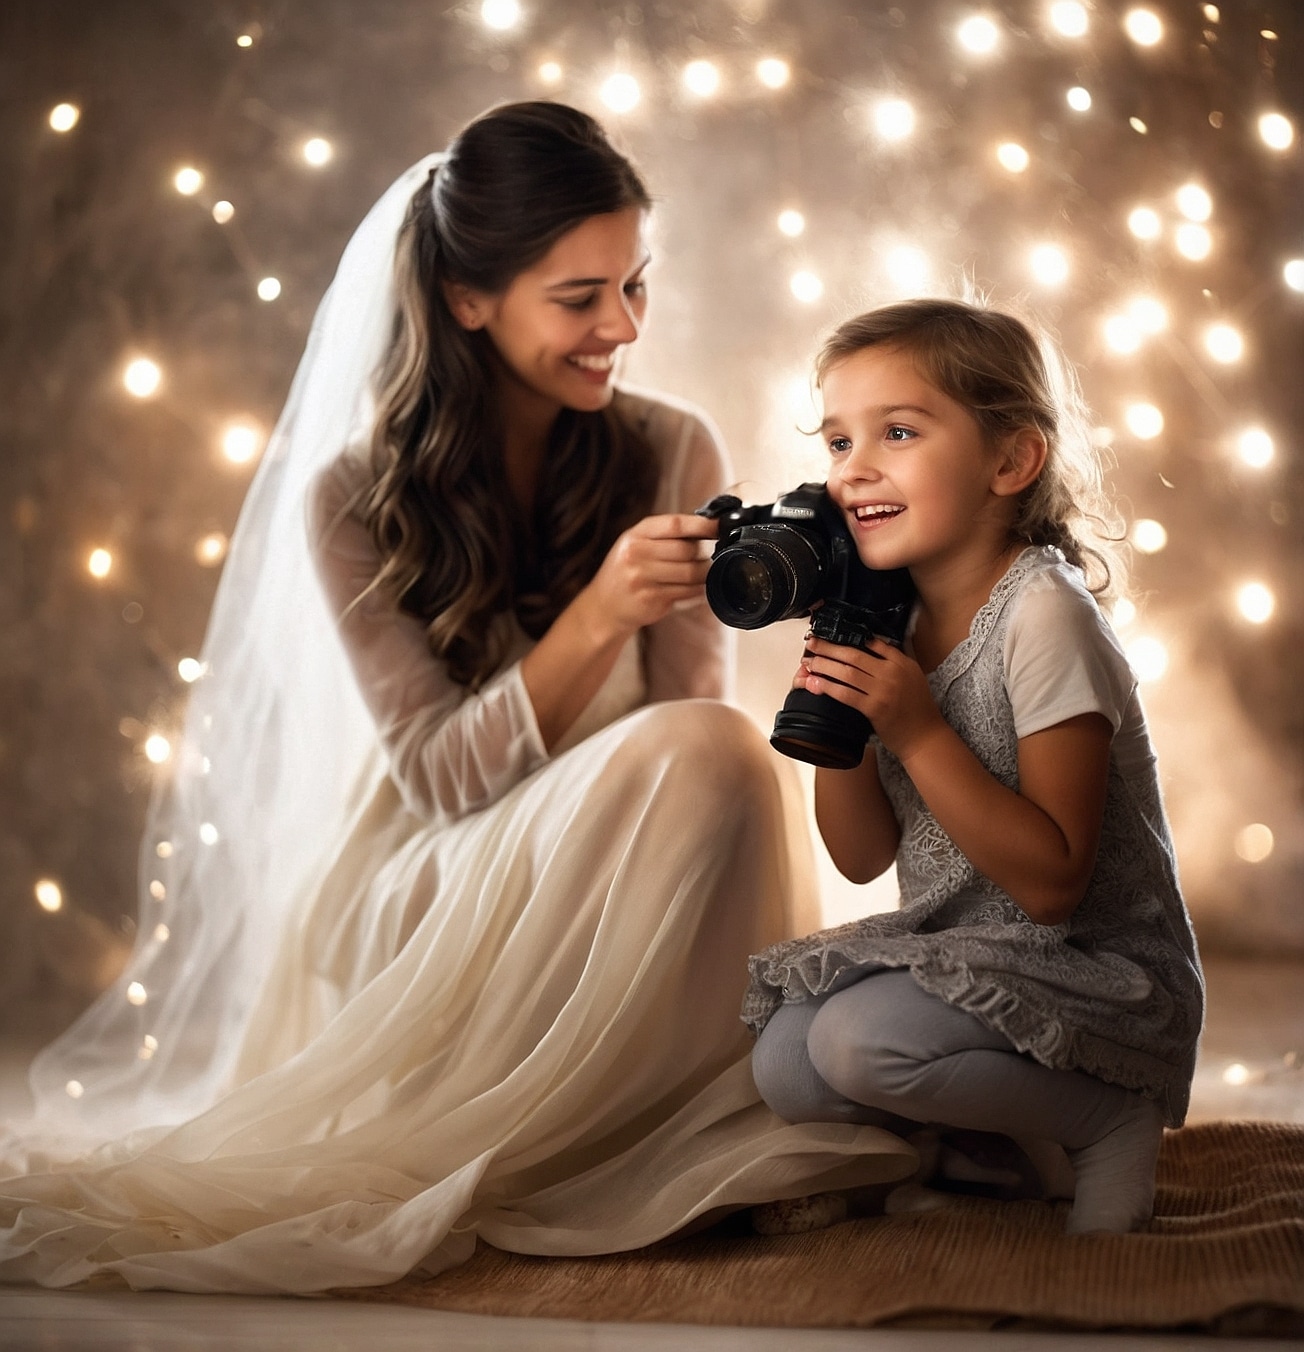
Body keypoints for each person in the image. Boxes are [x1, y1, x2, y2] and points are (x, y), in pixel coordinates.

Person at [0, 102, 916, 1294]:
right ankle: (607, 1134)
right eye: (577, 297)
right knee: (705, 749)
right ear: (467, 297)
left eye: (634, 285)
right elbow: (436, 775)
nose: (620, 327)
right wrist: (595, 616)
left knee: (725, 751)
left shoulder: (668, 447)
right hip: (433, 861)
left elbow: (691, 735)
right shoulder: (352, 497)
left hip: (626, 835)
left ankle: (706, 1106)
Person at [746, 298, 1204, 1235]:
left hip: (1095, 967)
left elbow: (1052, 884)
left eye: (898, 431)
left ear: (1010, 461)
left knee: (861, 1043)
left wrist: (917, 733)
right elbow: (863, 856)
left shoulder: (1045, 618)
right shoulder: (891, 614)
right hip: (961, 955)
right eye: (837, 442)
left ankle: (1105, 1119)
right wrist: (841, 721)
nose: (853, 470)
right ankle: (985, 1151)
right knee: (786, 1061)